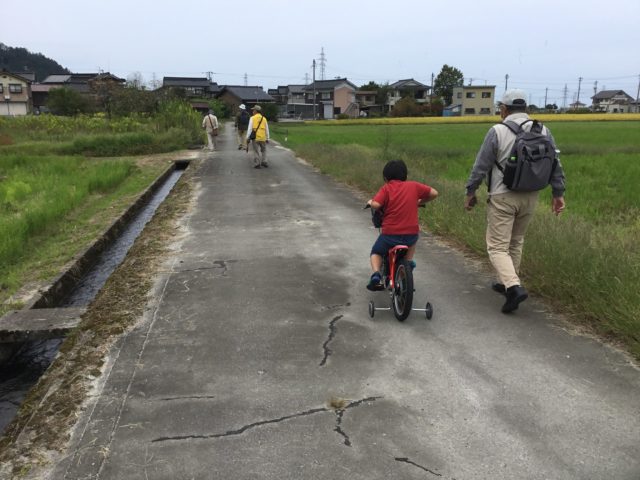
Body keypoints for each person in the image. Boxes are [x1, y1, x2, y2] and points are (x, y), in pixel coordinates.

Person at [464, 89, 566, 313]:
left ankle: (512, 287)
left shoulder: (497, 131)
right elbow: (555, 164)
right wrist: (558, 194)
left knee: (497, 247)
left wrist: (471, 191)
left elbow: (481, 166)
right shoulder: (543, 130)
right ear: (526, 109)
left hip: (503, 195)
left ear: (504, 109)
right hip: (531, 195)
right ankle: (505, 282)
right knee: (516, 241)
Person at [366, 159, 439, 291]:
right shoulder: (414, 186)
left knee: (376, 252)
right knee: (412, 241)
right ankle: (408, 264)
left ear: (385, 177)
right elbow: (434, 193)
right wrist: (418, 201)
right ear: (405, 175)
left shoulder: (387, 188)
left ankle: (376, 275)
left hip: (390, 235)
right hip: (411, 234)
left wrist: (370, 201)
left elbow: (376, 205)